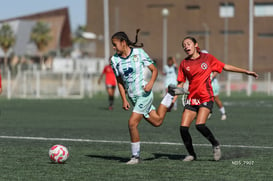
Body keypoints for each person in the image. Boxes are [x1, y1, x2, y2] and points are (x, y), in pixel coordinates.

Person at [110, 29, 188, 165]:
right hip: (133, 98)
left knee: (132, 123)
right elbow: (119, 81)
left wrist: (151, 83)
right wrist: (123, 99)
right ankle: (170, 94)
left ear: (123, 43)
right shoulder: (114, 60)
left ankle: (135, 157)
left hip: (144, 94)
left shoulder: (139, 53)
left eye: (115, 44)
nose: (113, 47)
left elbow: (154, 70)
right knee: (157, 121)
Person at [176, 36, 258, 162]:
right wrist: (174, 96)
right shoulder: (184, 63)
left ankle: (215, 144)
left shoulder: (207, 58)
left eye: (188, 43)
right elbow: (180, 83)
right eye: (184, 45)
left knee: (200, 125)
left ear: (195, 44)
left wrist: (245, 72)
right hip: (192, 99)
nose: (186, 46)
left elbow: (225, 66)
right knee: (183, 128)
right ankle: (192, 154)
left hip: (206, 97)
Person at [201, 50, 227, 120]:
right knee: (204, 99)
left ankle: (223, 113)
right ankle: (208, 112)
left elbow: (215, 71)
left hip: (213, 84)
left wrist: (211, 78)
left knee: (216, 99)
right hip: (205, 85)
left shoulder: (210, 62)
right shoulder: (200, 64)